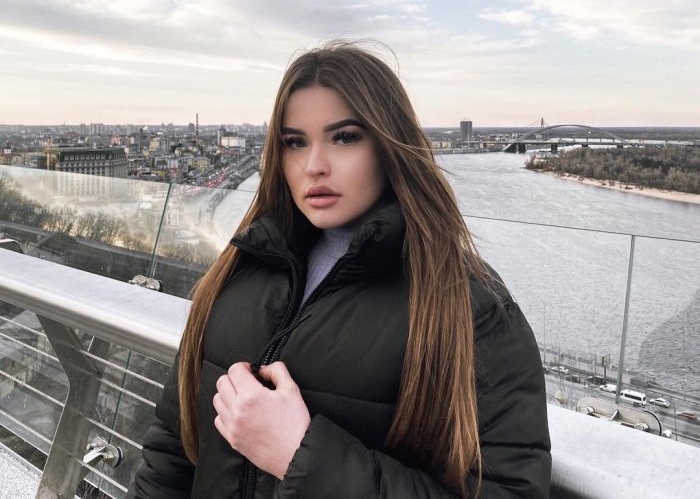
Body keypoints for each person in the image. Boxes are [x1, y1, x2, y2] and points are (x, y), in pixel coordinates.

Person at [128, 41, 551, 499]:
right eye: (295, 142)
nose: (314, 166)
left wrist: (300, 458)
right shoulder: (238, 270)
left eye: (344, 137)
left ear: (390, 144)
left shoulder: (467, 305)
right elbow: (172, 450)